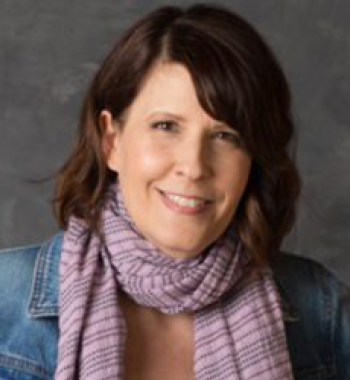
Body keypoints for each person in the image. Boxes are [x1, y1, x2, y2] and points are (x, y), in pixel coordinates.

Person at [0, 3, 349, 380]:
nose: (194, 166)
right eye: (166, 126)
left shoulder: (321, 312)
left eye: (225, 136)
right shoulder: (5, 302)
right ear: (111, 141)